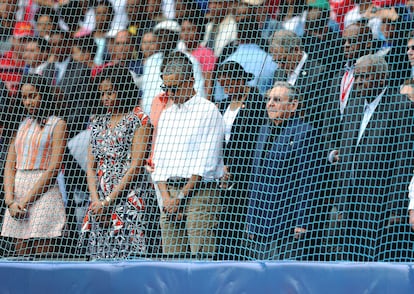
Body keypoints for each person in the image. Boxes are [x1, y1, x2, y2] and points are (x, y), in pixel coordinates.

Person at [332, 54, 414, 261]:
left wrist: (396, 208)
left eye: (364, 77)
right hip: (350, 205)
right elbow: (346, 156)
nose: (358, 83)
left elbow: (403, 162)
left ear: (381, 77)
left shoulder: (401, 107)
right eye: (356, 77)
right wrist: (340, 203)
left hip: (381, 206)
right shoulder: (353, 106)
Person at [151, 51, 224, 258]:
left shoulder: (208, 111)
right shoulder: (166, 115)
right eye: (166, 88)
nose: (170, 94)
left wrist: (181, 197)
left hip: (200, 194)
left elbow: (206, 164)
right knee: (172, 261)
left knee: (201, 258)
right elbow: (159, 163)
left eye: (174, 87)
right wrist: (166, 198)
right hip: (170, 195)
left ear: (190, 81)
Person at [78, 66, 153, 259]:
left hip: (129, 195)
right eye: (102, 93)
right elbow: (91, 165)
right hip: (99, 199)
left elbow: (136, 165)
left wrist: (109, 201)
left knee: (129, 254)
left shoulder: (139, 119)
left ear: (123, 89)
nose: (106, 98)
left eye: (110, 92)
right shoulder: (97, 120)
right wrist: (96, 201)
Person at [245, 81, 318, 260]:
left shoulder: (305, 133)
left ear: (293, 105)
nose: (270, 104)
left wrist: (302, 222)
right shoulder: (262, 130)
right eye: (269, 99)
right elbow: (255, 179)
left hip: (287, 223)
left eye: (277, 100)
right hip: (260, 221)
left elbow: (307, 182)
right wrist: (250, 220)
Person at [1, 74, 67, 257]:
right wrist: (10, 200)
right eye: (24, 97)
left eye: (33, 96)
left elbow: (54, 168)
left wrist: (26, 201)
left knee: (42, 252)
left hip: (43, 192)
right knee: (20, 253)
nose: (28, 102)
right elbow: (10, 165)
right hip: (17, 191)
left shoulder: (57, 124)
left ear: (43, 95)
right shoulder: (20, 125)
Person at [214, 60, 267, 260]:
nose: (225, 88)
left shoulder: (255, 102)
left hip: (245, 172)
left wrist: (232, 167)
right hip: (224, 173)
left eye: (228, 83)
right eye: (222, 84)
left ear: (239, 80)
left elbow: (251, 140)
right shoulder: (224, 104)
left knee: (238, 222)